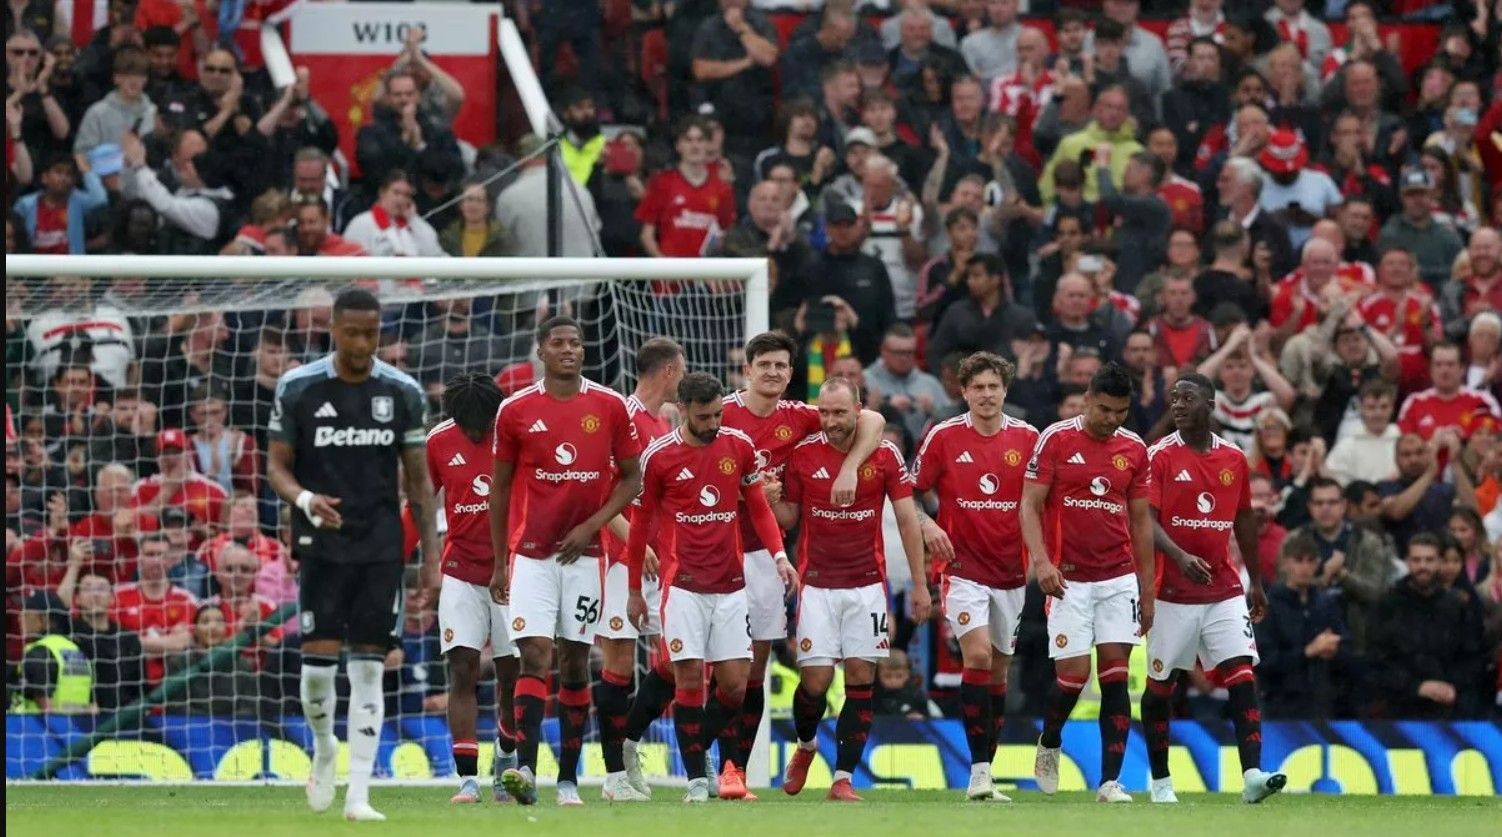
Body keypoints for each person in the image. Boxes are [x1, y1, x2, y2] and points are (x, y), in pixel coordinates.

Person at [642, 330, 883, 795]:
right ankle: (637, 744)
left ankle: (731, 769)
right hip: (705, 556)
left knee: (750, 671)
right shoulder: (721, 412)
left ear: (790, 374)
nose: (772, 372)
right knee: (687, 666)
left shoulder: (802, 417)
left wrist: (850, 466)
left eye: (781, 365)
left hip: (765, 559)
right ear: (747, 370)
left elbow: (871, 418)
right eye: (764, 364)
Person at [266, 287, 440, 822]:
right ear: (334, 330)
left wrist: (432, 560)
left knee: (369, 669)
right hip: (321, 543)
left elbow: (419, 482)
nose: (363, 344)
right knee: (318, 672)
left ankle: (359, 794)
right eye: (353, 333)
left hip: (380, 546)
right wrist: (304, 500)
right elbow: (276, 466)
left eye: (371, 334)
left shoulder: (403, 392)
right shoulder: (299, 386)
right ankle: (324, 750)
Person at [486, 315, 642, 807]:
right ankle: (526, 771)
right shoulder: (514, 410)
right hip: (531, 556)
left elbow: (633, 479)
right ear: (541, 351)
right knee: (535, 654)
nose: (569, 349)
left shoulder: (610, 405)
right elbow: (499, 490)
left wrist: (592, 526)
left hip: (586, 557)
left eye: (576, 342)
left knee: (575, 660)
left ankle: (569, 779)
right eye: (558, 343)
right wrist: (499, 563)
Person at [623, 372, 793, 803]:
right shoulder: (659, 457)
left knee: (735, 684)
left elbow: (759, 508)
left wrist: (779, 555)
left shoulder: (739, 447)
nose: (713, 423)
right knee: (689, 677)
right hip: (683, 586)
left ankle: (634, 738)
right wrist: (634, 590)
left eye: (718, 414)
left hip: (731, 586)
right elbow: (639, 526)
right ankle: (698, 779)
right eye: (704, 417)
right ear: (682, 410)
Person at [773, 376, 930, 803]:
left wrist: (920, 584)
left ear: (858, 411)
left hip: (868, 587)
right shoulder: (803, 454)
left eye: (839, 412)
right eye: (824, 412)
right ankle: (806, 746)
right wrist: (769, 498)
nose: (830, 421)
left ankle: (843, 778)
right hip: (818, 587)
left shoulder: (885, 455)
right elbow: (789, 518)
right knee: (816, 682)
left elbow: (907, 519)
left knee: (861, 679)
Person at [1138, 373, 1286, 804]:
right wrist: (1180, 556)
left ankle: (1252, 775)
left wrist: (1255, 581)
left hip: (1222, 586)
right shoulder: (1160, 455)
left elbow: (1243, 518)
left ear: (1211, 403)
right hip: (1171, 591)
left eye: (1188, 398)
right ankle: (1161, 782)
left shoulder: (1233, 458)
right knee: (1162, 683)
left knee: (1241, 672)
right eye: (1174, 399)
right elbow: (1145, 520)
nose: (1178, 405)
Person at [1022, 362, 1154, 804]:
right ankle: (1050, 740)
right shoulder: (1056, 439)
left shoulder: (1134, 449)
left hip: (1118, 578)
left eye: (1121, 411)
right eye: (1104, 409)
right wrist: (1042, 562)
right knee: (1073, 677)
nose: (1112, 419)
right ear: (1087, 400)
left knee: (1116, 676)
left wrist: (1147, 589)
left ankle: (1109, 782)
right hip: (1069, 581)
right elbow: (1029, 505)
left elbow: (1141, 522)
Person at [910, 351, 1037, 802]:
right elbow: (908, 492)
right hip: (962, 569)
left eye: (993, 386)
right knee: (978, 656)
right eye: (977, 387)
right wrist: (928, 525)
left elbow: (1042, 501)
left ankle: (986, 771)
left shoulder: (1028, 438)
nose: (986, 395)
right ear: (963, 392)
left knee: (998, 668)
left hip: (1011, 570)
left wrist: (1041, 558)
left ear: (1005, 390)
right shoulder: (944, 436)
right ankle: (978, 771)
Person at [421, 373, 519, 805]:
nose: (478, 434)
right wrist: (415, 562)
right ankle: (467, 780)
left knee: (513, 676)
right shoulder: (439, 441)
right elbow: (420, 505)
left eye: (485, 426)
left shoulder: (516, 433)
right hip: (461, 571)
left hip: (514, 573)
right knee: (462, 669)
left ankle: (506, 755)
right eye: (470, 427)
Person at [597, 337, 684, 803]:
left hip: (661, 561)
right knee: (617, 665)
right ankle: (614, 776)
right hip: (619, 562)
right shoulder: (623, 416)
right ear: (668, 371)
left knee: (676, 659)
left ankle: (629, 743)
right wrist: (633, 541)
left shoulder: (661, 423)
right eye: (682, 370)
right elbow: (599, 492)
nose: (683, 377)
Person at [1370, 533, 1484, 719]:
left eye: (1429, 560)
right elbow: (1377, 661)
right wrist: (1417, 687)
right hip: (1399, 710)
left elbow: (1471, 657)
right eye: (1416, 560)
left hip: (1449, 710)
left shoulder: (1456, 606)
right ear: (1407, 562)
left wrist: (1452, 687)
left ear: (1439, 562)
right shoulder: (1387, 604)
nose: (1423, 566)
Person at [9, 589, 92, 714]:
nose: (20, 618)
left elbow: (47, 710)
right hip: (78, 723)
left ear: (44, 619)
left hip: (39, 725)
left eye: (26, 613)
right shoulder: (76, 650)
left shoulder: (38, 653)